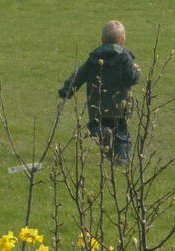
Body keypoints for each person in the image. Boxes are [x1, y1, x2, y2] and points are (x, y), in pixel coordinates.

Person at [58, 20, 141, 164]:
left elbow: (79, 75)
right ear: (122, 41)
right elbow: (130, 79)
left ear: (102, 39)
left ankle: (100, 132)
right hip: (119, 107)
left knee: (96, 125)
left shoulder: (94, 58)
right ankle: (121, 160)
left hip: (98, 105)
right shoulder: (125, 58)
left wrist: (67, 91)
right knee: (121, 134)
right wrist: (136, 71)